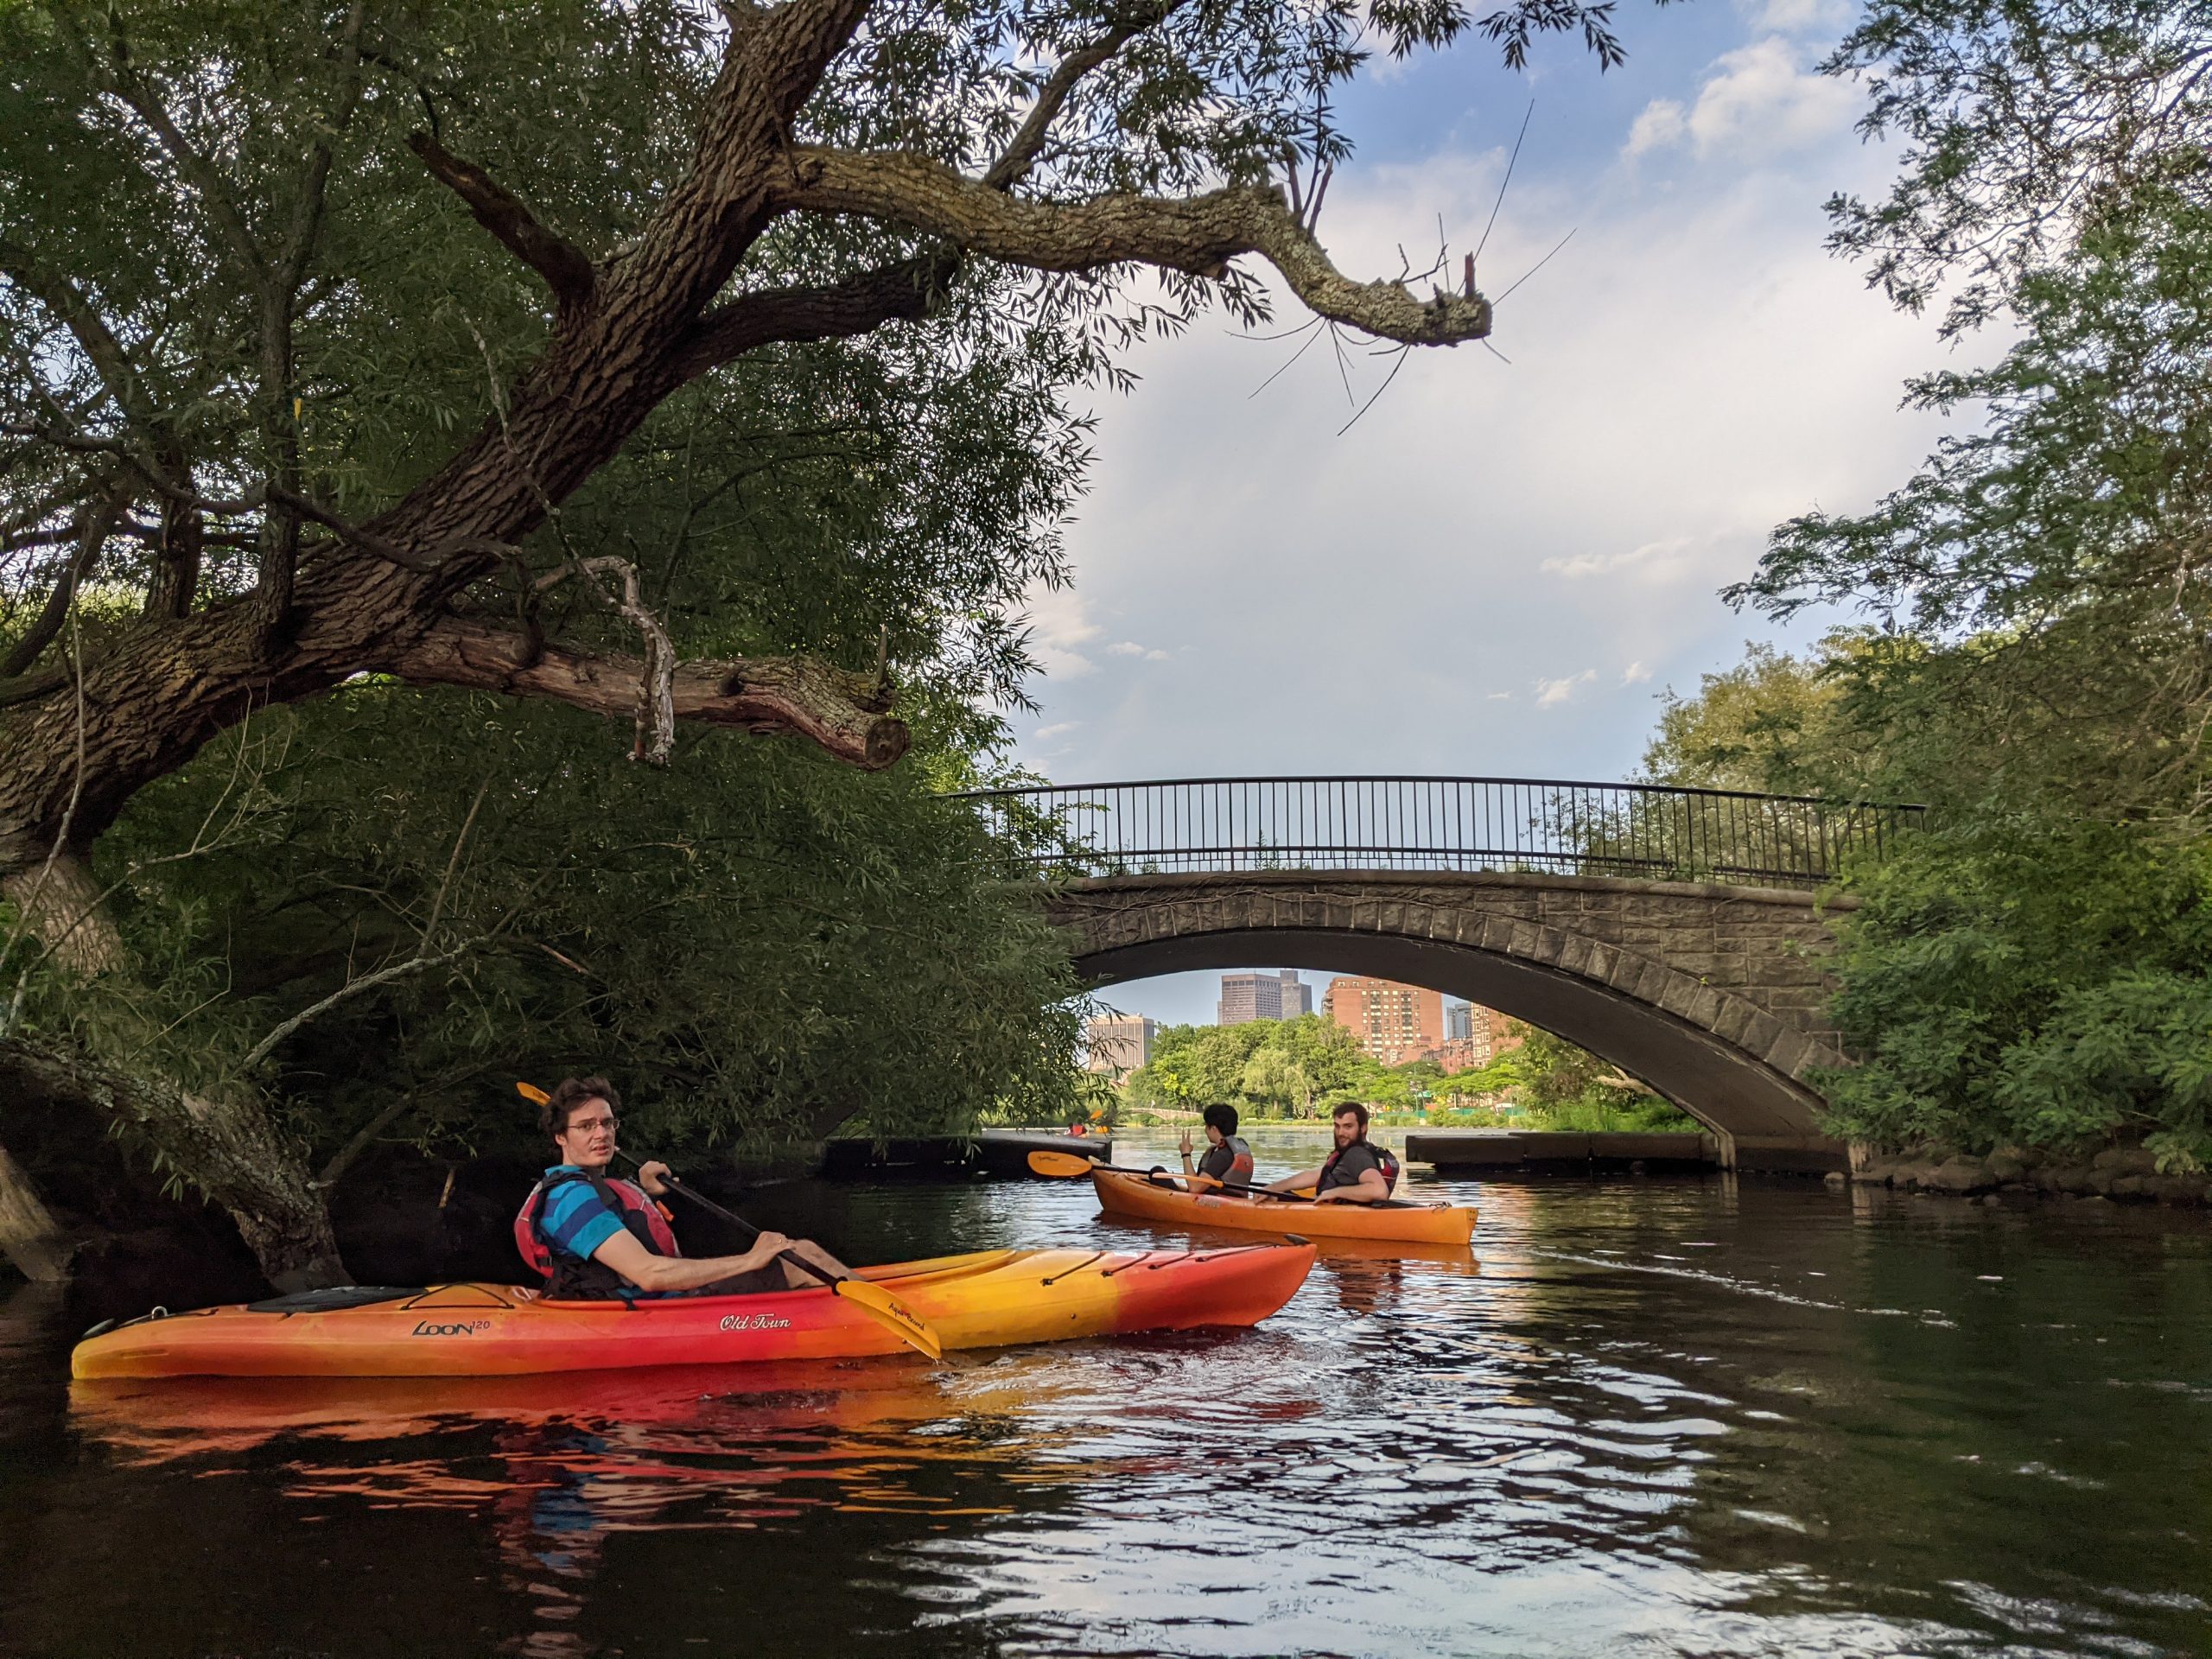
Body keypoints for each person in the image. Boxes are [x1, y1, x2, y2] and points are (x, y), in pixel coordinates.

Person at [512, 1076, 853, 1300]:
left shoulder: (590, 1186)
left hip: (654, 1303)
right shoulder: (572, 1198)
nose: (601, 1134)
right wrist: (750, 1260)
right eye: (586, 1126)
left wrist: (642, 1189)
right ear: (561, 1136)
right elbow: (648, 1273)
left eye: (607, 1123)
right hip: (653, 1312)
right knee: (803, 1256)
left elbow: (614, 1222)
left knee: (803, 1255)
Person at [1267, 1103, 1401, 1205]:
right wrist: (1273, 1187)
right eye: (1337, 1126)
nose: (1341, 1133)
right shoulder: (1356, 1151)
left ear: (1363, 1128)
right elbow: (1318, 1175)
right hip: (1336, 1212)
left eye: (1348, 1127)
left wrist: (1335, 1192)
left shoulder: (1356, 1155)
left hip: (1337, 1217)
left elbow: (1379, 1190)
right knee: (1277, 1193)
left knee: (1273, 1199)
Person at [1178, 1103, 1255, 1198]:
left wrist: (1186, 1153)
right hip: (1232, 1200)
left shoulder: (1222, 1155)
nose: (1205, 1130)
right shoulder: (1235, 1150)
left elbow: (1195, 1188)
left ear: (1214, 1128)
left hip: (1216, 1204)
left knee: (1156, 1171)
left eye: (1206, 1126)